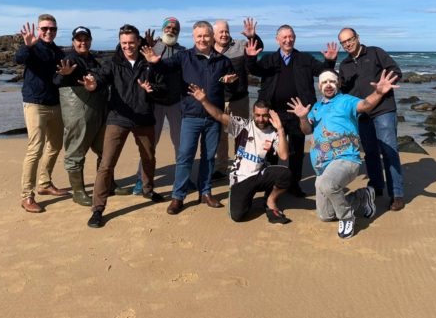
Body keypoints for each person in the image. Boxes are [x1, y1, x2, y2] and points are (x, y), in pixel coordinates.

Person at [287, 69, 399, 238]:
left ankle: (347, 217)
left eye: (332, 81)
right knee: (325, 215)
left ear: (338, 83)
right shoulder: (315, 108)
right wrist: (303, 117)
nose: (328, 85)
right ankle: (362, 196)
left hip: (346, 159)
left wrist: (378, 92)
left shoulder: (346, 101)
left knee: (327, 185)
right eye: (324, 82)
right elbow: (306, 130)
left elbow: (365, 105)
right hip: (321, 167)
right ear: (319, 86)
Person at [141, 21, 237, 215]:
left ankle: (205, 192)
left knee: (209, 158)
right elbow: (164, 68)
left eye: (206, 36)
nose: (203, 39)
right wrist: (154, 62)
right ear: (194, 38)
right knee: (185, 157)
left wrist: (230, 83)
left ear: (212, 37)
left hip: (213, 117)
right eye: (199, 36)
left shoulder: (223, 61)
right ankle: (178, 196)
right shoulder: (184, 57)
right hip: (191, 116)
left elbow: (230, 88)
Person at [82, 25, 165, 228]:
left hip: (144, 117)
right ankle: (98, 209)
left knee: (149, 157)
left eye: (131, 42)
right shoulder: (113, 62)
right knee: (106, 164)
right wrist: (93, 85)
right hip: (118, 117)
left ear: (138, 42)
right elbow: (101, 78)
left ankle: (147, 189)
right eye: (124, 43)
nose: (127, 46)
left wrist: (152, 88)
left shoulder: (149, 60)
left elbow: (163, 86)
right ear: (120, 42)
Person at [245, 25, 337, 198]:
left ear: (294, 38)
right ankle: (270, 185)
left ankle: (294, 184)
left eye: (291, 36)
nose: (288, 40)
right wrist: (250, 58)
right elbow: (254, 70)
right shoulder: (269, 59)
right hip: (273, 113)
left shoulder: (305, 58)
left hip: (299, 113)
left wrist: (330, 61)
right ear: (277, 40)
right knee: (271, 151)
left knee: (296, 152)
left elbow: (322, 71)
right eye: (284, 37)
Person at [188, 83, 292, 224]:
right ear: (252, 113)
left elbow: (284, 156)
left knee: (285, 175)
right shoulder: (243, 126)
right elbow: (219, 115)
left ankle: (270, 200)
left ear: (270, 115)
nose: (261, 119)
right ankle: (245, 196)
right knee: (237, 216)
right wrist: (204, 100)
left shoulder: (274, 133)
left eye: (265, 116)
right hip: (241, 179)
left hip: (260, 174)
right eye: (258, 115)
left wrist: (280, 129)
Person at [330, 28, 405, 211]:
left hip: (383, 109)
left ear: (357, 38)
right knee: (370, 152)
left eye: (350, 39)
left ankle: (397, 194)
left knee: (389, 151)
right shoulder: (345, 65)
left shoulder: (375, 52)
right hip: (362, 114)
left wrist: (385, 85)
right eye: (344, 42)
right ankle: (377, 186)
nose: (347, 44)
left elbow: (396, 71)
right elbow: (343, 92)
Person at [15, 14, 69, 213]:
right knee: (35, 149)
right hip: (34, 103)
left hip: (55, 104)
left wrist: (64, 76)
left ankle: (45, 183)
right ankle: (26, 196)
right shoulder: (33, 47)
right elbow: (19, 59)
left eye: (52, 29)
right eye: (45, 28)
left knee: (55, 145)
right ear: (39, 29)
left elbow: (57, 79)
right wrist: (27, 45)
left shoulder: (57, 52)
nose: (48, 32)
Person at [132, 17, 186, 195]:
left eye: (175, 28)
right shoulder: (151, 47)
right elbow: (137, 66)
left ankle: (183, 179)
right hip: (154, 103)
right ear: (163, 29)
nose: (171, 30)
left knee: (180, 143)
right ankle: (142, 179)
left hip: (176, 102)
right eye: (168, 27)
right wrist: (143, 45)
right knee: (150, 143)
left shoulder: (183, 51)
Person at [53, 26, 106, 206]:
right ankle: (78, 191)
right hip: (77, 111)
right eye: (79, 39)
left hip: (97, 110)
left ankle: (107, 184)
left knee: (105, 149)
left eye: (86, 39)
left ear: (90, 40)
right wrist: (63, 75)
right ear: (73, 41)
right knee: (76, 150)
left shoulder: (92, 59)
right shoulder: (69, 59)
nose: (82, 42)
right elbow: (57, 80)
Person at [212, 17, 263, 179]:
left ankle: (239, 164)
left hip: (239, 99)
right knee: (220, 136)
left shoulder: (240, 45)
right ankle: (220, 168)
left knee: (240, 134)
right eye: (221, 32)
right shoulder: (208, 50)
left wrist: (252, 36)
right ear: (213, 34)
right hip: (218, 100)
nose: (224, 35)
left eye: (226, 31)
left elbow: (258, 47)